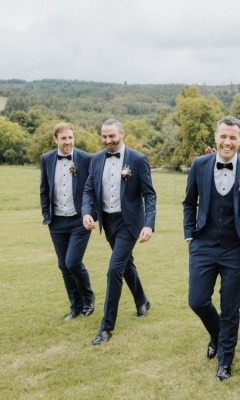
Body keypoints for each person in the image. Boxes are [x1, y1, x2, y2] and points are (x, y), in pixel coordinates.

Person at [183, 115, 240, 381]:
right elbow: (189, 203)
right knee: (197, 300)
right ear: (216, 137)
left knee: (231, 307)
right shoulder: (199, 165)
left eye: (233, 137)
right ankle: (217, 335)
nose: (227, 142)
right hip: (203, 245)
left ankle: (225, 361)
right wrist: (189, 234)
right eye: (223, 136)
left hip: (236, 249)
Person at [82, 119, 157, 345]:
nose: (108, 141)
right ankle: (142, 300)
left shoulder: (137, 159)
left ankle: (106, 327)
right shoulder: (95, 159)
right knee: (125, 265)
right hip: (109, 223)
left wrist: (149, 224)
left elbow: (150, 194)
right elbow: (88, 189)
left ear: (122, 133)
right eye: (104, 137)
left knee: (114, 269)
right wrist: (87, 212)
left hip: (129, 223)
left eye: (111, 136)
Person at [40, 122, 95, 321]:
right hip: (56, 222)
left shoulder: (86, 159)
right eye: (64, 138)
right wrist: (47, 214)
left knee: (73, 262)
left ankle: (89, 299)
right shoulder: (46, 159)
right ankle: (75, 306)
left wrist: (90, 214)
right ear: (56, 139)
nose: (68, 142)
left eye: (70, 138)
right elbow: (44, 189)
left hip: (79, 221)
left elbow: (94, 190)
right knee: (63, 266)